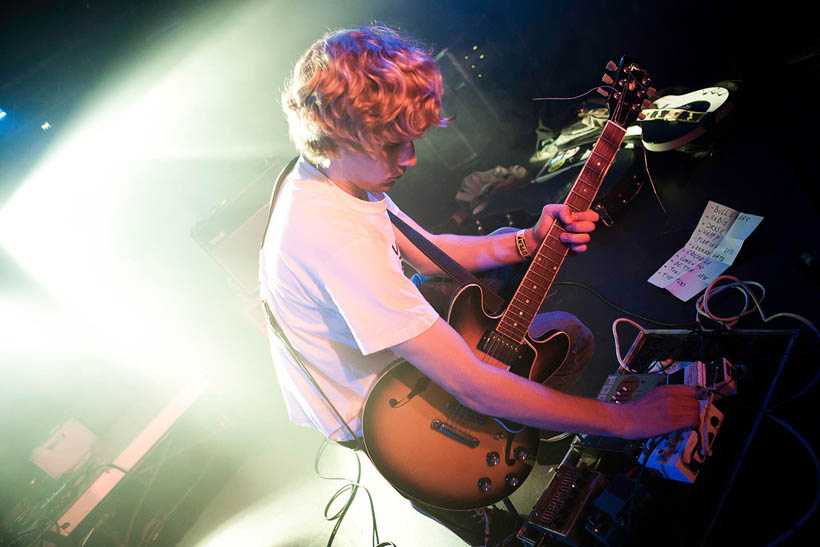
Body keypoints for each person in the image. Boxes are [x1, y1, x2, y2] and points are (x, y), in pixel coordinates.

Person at [260, 25, 700, 546]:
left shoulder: (334, 172)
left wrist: (524, 240)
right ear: (336, 135)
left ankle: (536, 432)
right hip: (382, 415)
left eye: (412, 140)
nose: (410, 160)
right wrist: (627, 420)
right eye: (393, 145)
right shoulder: (334, 241)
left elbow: (419, 246)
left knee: (568, 335)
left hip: (397, 362)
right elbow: (471, 384)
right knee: (499, 525)